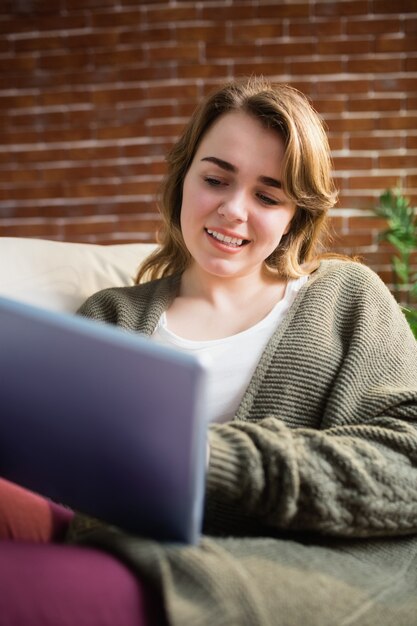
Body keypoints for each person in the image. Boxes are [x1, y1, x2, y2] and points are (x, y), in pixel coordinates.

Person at [2, 77, 417, 625]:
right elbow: (65, 470)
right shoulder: (113, 315)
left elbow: (408, 465)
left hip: (284, 566)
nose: (233, 210)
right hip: (114, 541)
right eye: (216, 179)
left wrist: (204, 457)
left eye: (268, 196)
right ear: (183, 179)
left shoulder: (346, 297)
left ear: (296, 214)